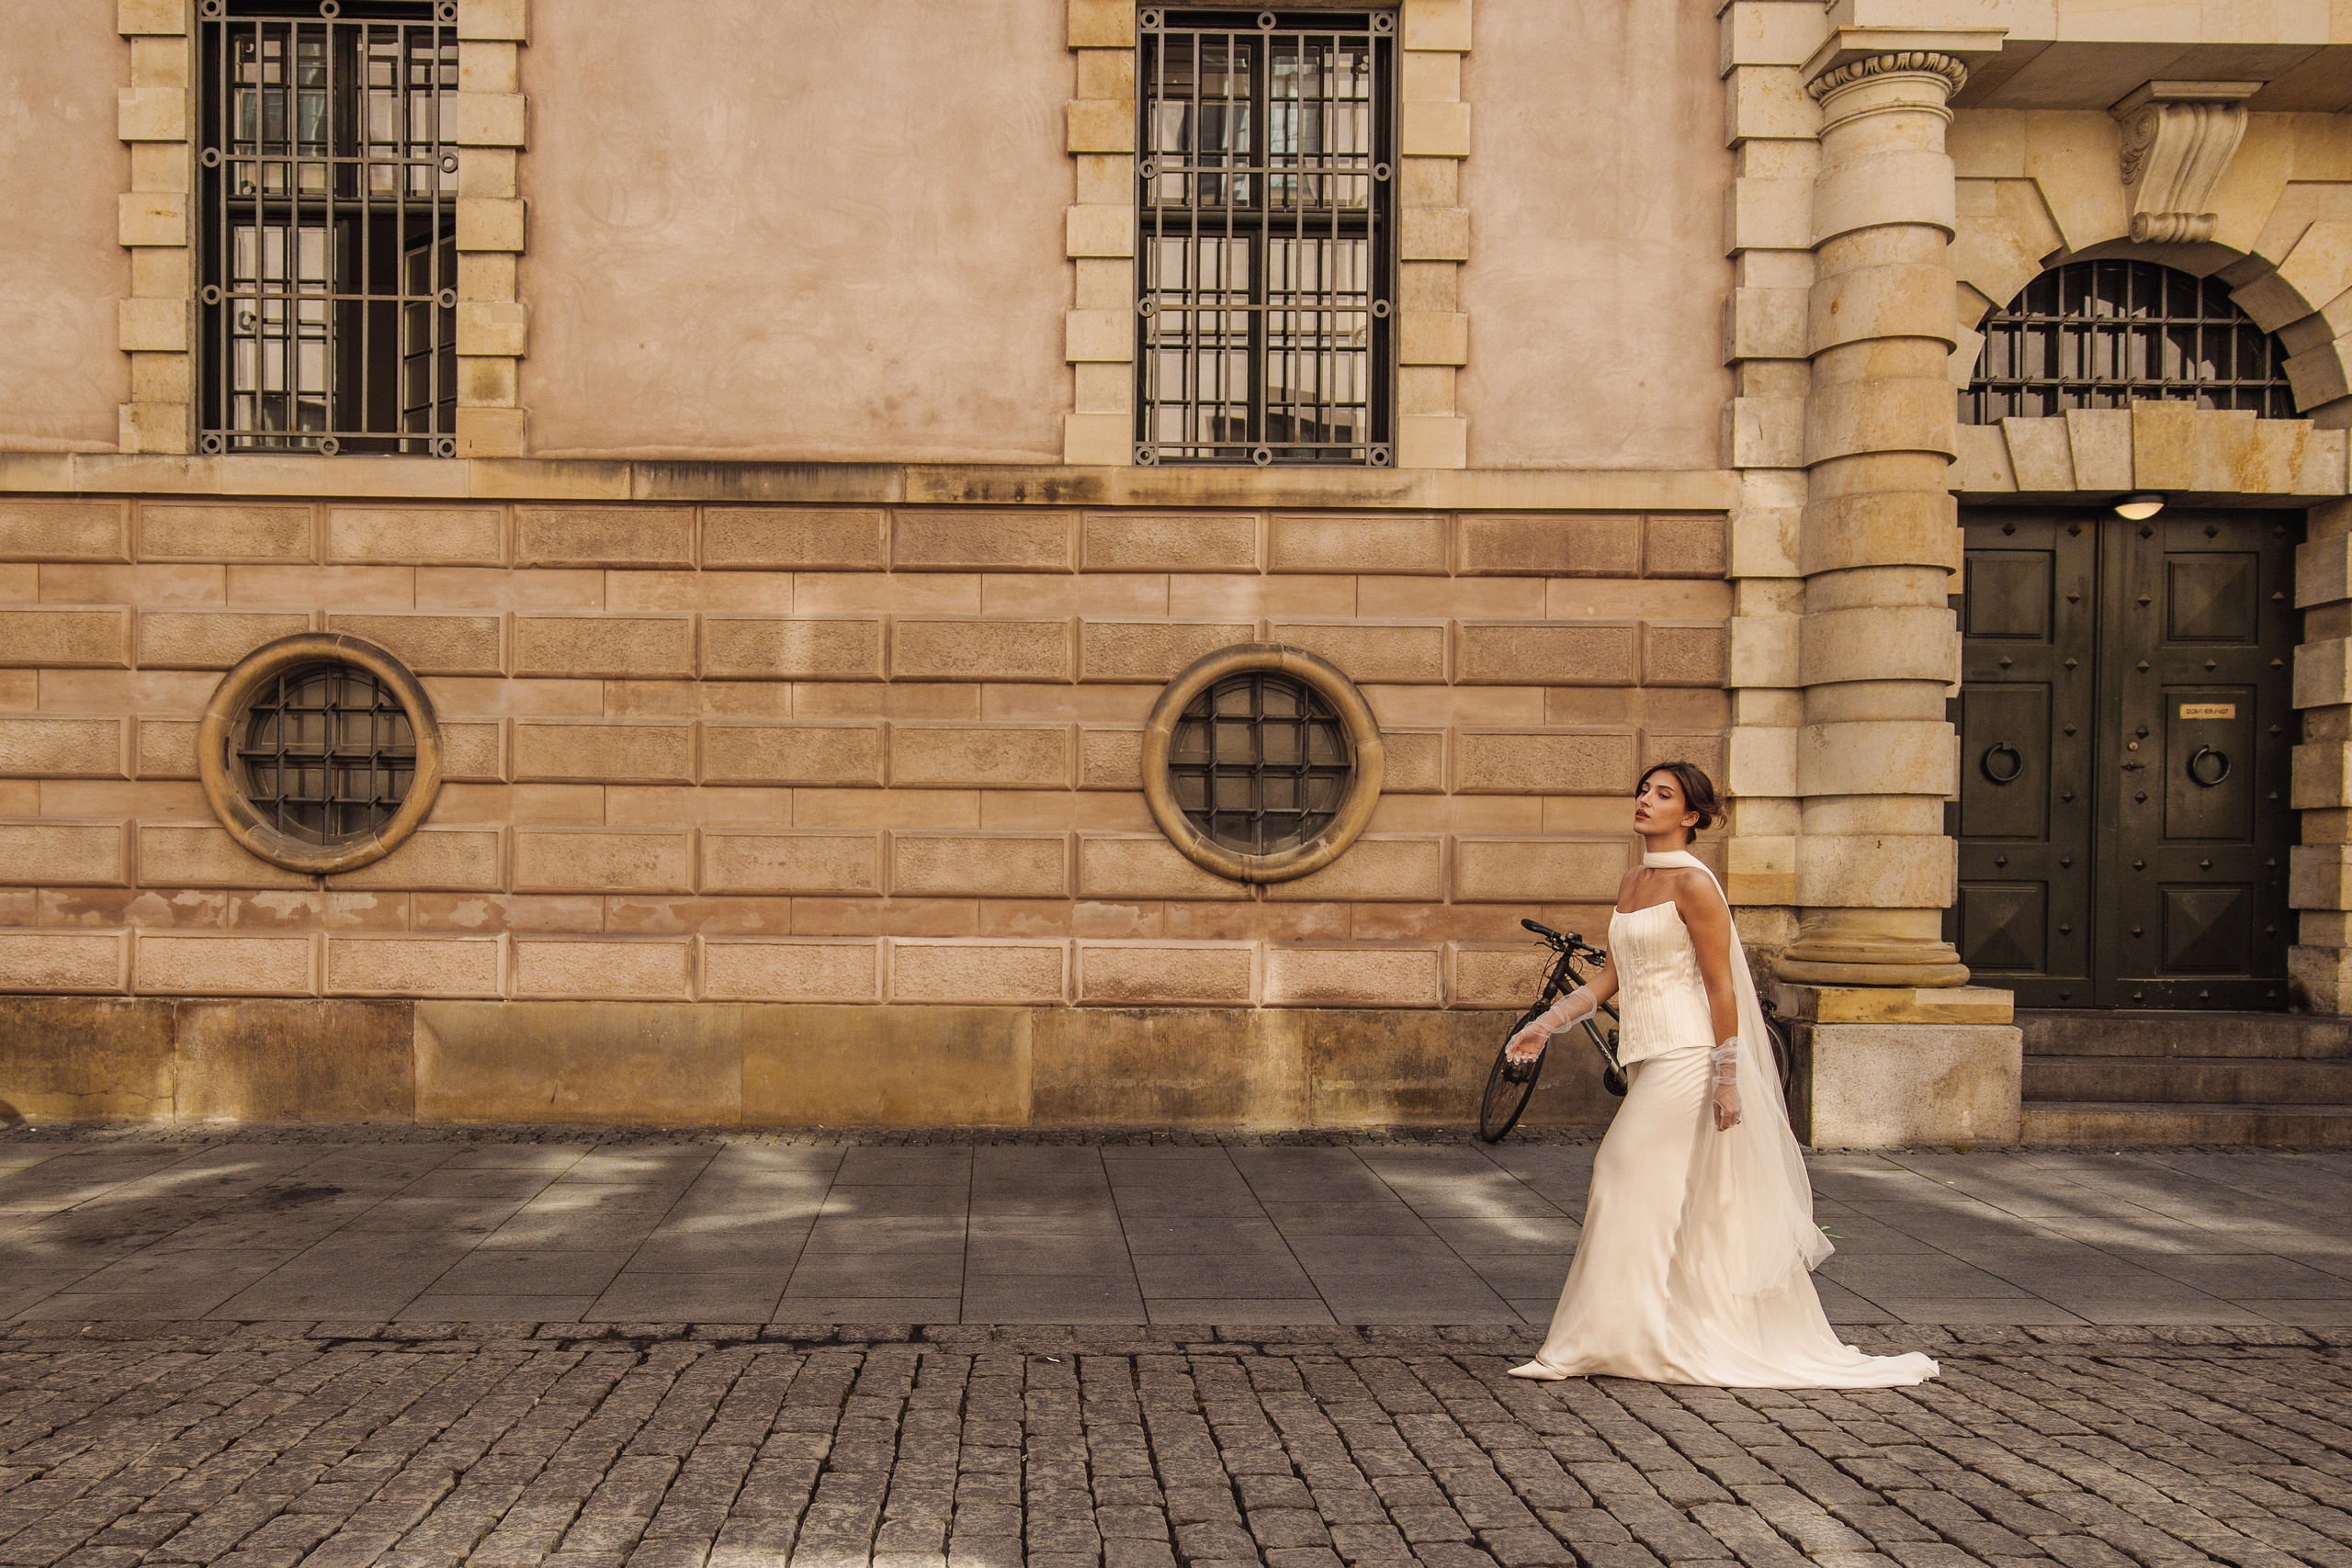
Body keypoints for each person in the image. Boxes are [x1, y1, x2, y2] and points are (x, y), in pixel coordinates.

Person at [1500, 761, 1938, 1389]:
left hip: (1688, 1054)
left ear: (1693, 815)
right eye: (1643, 791)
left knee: (1618, 1171)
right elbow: (1612, 978)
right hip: (1651, 1054)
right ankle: (1632, 1332)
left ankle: (1589, 1343)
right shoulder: (1632, 882)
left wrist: (1727, 1075)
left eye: (1663, 794)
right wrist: (1550, 1021)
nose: (1645, 801)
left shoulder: (1695, 886)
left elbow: (1721, 985)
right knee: (1659, 1194)